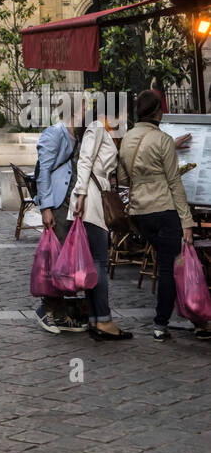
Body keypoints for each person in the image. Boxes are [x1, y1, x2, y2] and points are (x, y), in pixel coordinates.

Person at [119, 88, 198, 342]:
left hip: (140, 213)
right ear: (158, 112)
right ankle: (161, 323)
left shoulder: (128, 138)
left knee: (162, 264)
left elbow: (122, 177)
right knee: (167, 267)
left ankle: (167, 320)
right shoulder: (162, 139)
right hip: (164, 210)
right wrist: (187, 221)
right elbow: (174, 183)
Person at [70, 118, 133, 341]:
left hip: (90, 200)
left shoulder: (100, 129)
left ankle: (96, 319)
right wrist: (81, 194)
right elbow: (84, 161)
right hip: (91, 203)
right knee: (99, 262)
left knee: (93, 263)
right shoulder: (97, 127)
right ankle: (104, 320)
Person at [33, 110, 87, 334]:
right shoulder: (54, 133)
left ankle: (62, 313)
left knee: (66, 260)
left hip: (70, 205)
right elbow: (43, 171)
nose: (87, 112)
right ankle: (46, 309)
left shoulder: (78, 135)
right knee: (55, 259)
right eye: (83, 108)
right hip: (57, 204)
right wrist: (46, 208)